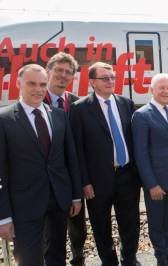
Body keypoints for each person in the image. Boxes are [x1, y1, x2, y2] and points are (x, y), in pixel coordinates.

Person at [0, 64, 82, 265]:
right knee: (29, 260)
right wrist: (4, 218)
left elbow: (70, 159)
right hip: (24, 205)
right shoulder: (4, 119)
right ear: (18, 83)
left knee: (57, 257)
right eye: (32, 84)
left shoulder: (59, 115)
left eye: (42, 84)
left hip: (59, 200)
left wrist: (75, 196)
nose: (38, 89)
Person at [69, 62, 141, 266]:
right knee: (101, 225)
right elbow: (78, 150)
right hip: (97, 181)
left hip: (127, 176)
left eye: (112, 77)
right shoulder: (80, 109)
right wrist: (84, 182)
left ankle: (129, 258)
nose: (110, 81)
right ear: (92, 82)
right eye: (105, 78)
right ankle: (109, 261)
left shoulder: (126, 103)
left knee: (130, 222)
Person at [132, 73, 168, 266]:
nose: (165, 91)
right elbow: (141, 153)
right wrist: (151, 183)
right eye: (161, 88)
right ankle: (160, 256)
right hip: (155, 181)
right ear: (151, 90)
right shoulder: (142, 115)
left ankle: (167, 247)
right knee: (156, 221)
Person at [44, 52, 87, 266]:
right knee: (52, 232)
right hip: (48, 179)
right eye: (59, 71)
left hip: (74, 174)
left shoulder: (76, 103)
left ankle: (78, 255)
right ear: (48, 72)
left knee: (78, 224)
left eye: (68, 72)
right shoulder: (36, 100)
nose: (63, 76)